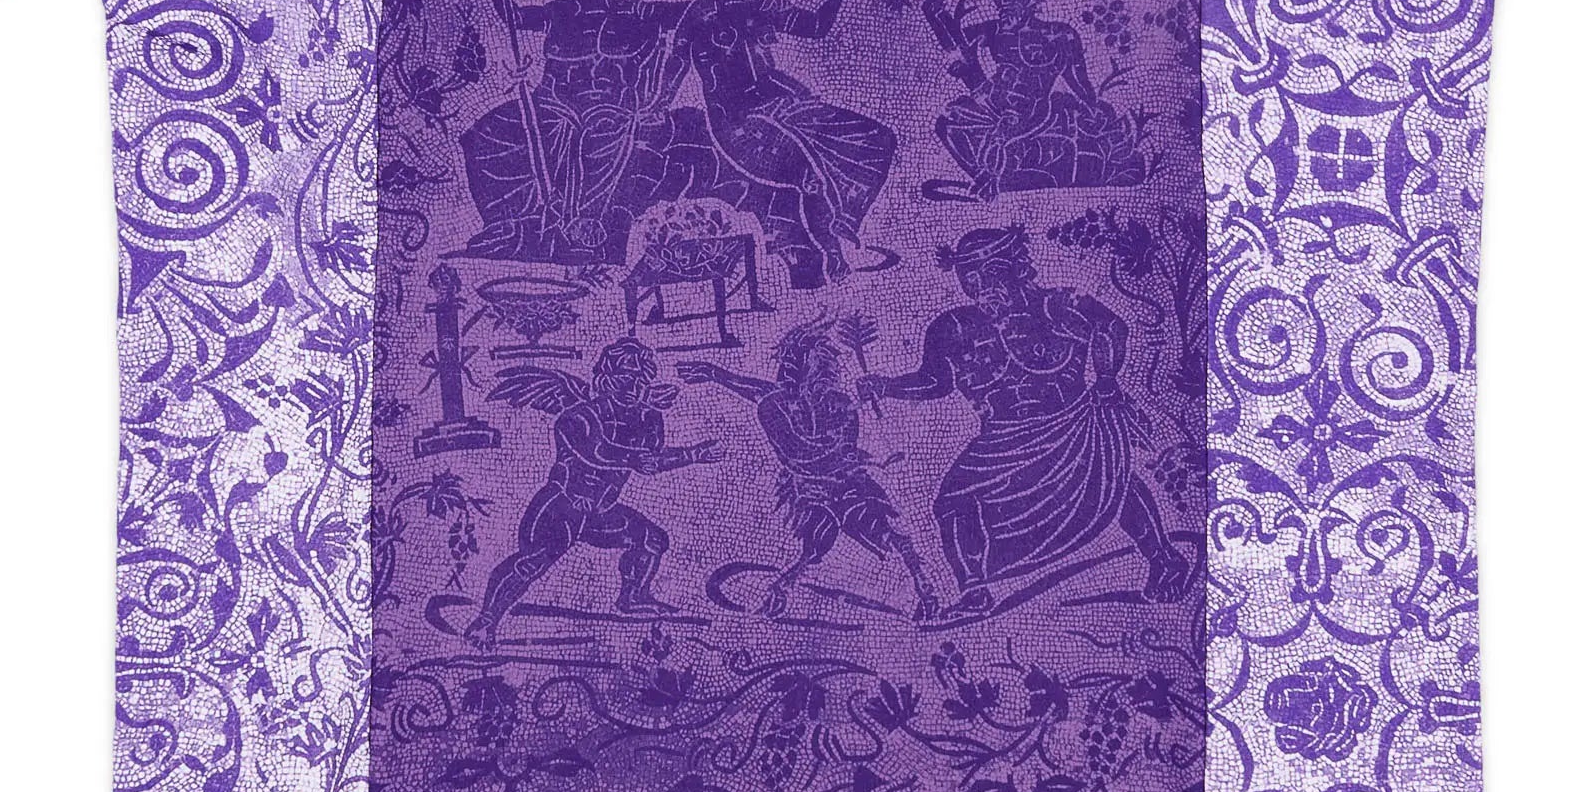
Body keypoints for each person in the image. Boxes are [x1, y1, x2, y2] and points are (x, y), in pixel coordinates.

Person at [861, 226, 1189, 618]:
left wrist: (1105, 379)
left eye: (989, 274)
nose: (980, 288)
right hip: (1000, 438)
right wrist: (886, 385)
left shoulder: (1058, 305)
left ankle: (1164, 558)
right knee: (954, 502)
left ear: (1016, 268)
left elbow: (1112, 327)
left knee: (1112, 476)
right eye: (969, 278)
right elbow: (935, 382)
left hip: (1070, 420)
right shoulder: (954, 328)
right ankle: (975, 593)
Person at [675, 0, 895, 289]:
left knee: (880, 138)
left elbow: (816, 26)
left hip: (785, 108)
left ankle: (846, 216)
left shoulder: (767, 6)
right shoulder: (707, 10)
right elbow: (677, 58)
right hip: (740, 123)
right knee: (810, 174)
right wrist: (654, 103)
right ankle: (832, 254)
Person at [459, 0, 694, 263]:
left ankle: (586, 222)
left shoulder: (648, 15)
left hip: (611, 108)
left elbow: (696, 13)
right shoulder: (567, 11)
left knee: (606, 134)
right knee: (486, 133)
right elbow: (517, 18)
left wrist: (663, 91)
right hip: (554, 103)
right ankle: (506, 222)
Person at [465, 337, 720, 645]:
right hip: (561, 507)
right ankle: (486, 620)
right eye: (624, 376)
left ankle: (633, 597)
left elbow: (652, 459)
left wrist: (693, 454)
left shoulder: (648, 419)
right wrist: (633, 458)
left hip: (600, 512)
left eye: (639, 377)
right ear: (606, 378)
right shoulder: (579, 415)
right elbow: (596, 450)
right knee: (533, 561)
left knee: (652, 540)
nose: (632, 385)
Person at [680, 323, 939, 621]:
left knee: (878, 529)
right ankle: (784, 587)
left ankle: (921, 583)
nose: (787, 371)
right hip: (815, 486)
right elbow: (754, 389)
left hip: (838, 483)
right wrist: (714, 373)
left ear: (813, 366)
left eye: (794, 362)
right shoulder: (786, 401)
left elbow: (836, 447)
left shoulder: (838, 405)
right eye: (788, 363)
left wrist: (715, 374)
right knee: (817, 540)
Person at [923, 0, 1145, 199]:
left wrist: (1092, 108)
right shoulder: (995, 31)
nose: (1003, 4)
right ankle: (995, 177)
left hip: (1034, 112)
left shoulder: (1060, 35)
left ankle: (1000, 179)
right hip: (994, 103)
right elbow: (957, 43)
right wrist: (937, 15)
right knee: (948, 124)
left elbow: (1079, 83)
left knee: (1008, 141)